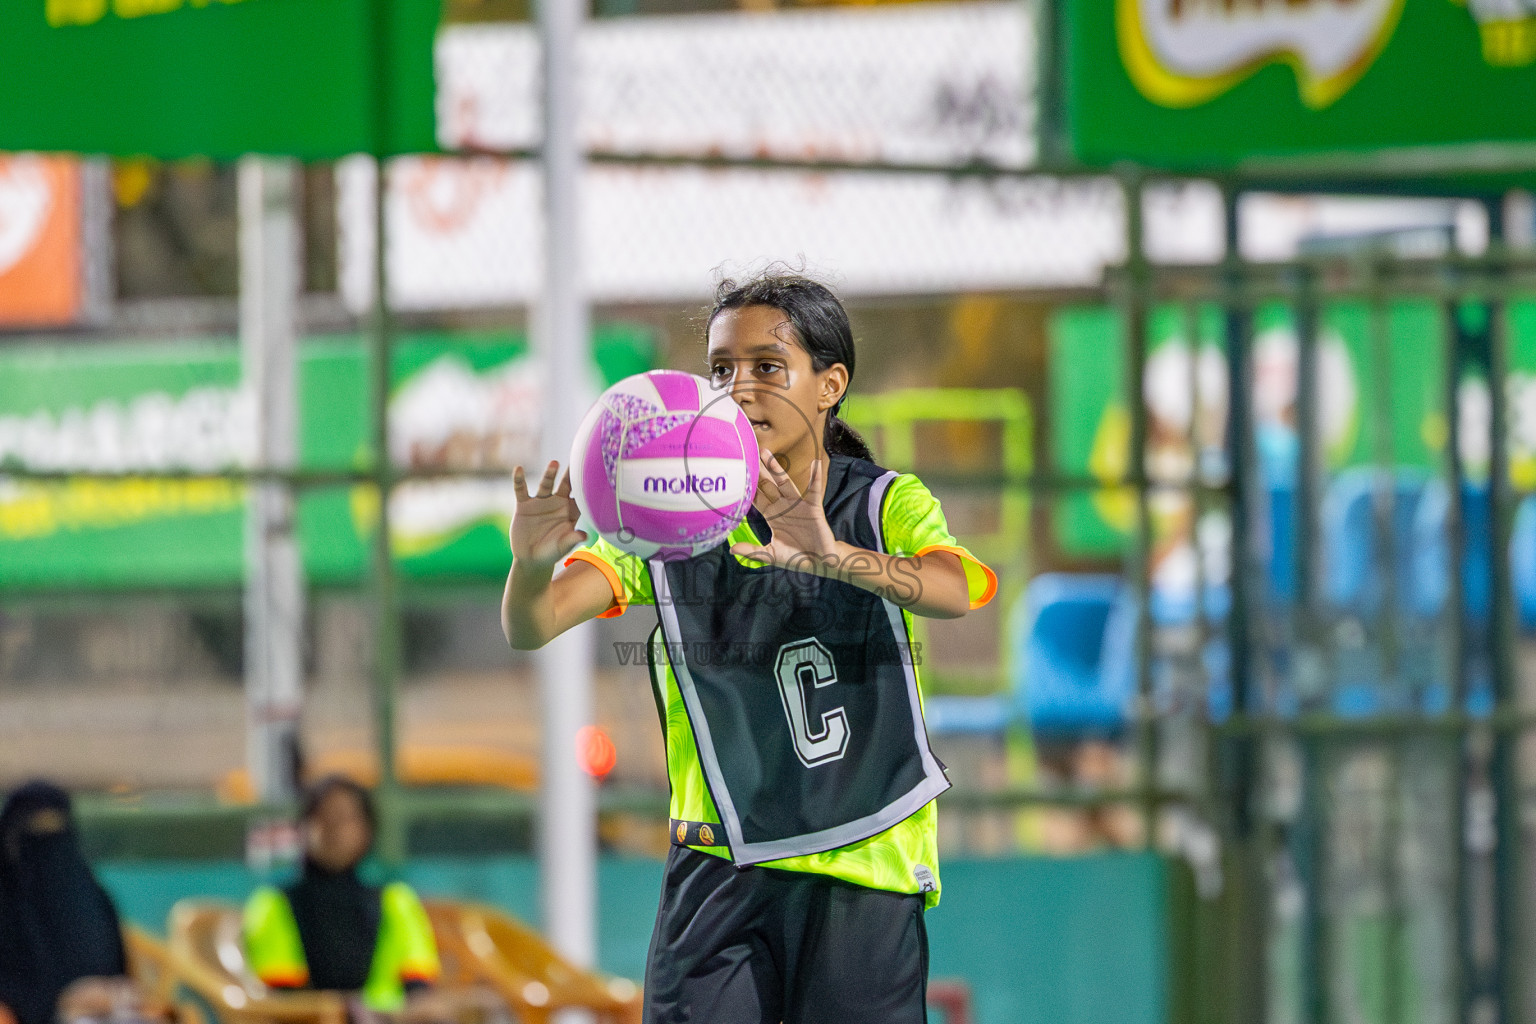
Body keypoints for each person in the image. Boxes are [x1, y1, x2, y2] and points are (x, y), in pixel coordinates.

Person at [502, 273, 997, 1024]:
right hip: (718, 863)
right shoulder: (666, 520)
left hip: (859, 859)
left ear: (830, 384)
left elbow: (954, 589)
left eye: (768, 367)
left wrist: (834, 556)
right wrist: (531, 565)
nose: (739, 388)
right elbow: (532, 624)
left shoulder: (879, 501)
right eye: (722, 369)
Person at [242, 776, 443, 1017]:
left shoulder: (396, 900)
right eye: (323, 817)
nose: (334, 828)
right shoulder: (273, 902)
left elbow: (419, 987)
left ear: (367, 830)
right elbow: (282, 997)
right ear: (303, 827)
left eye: (346, 819)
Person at [0, 780, 143, 1024]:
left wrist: (113, 997)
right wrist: (58, 1003)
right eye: (35, 833)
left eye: (56, 832)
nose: (48, 851)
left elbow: (121, 974)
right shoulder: (7, 902)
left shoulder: (93, 896)